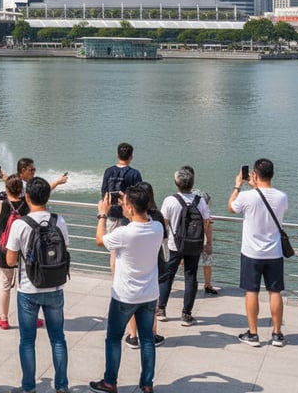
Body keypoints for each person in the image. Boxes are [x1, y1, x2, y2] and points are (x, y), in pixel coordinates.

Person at [90, 184, 163, 393]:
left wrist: (102, 214)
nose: (121, 205)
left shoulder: (124, 233)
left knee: (114, 338)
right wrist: (129, 198)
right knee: (147, 339)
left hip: (124, 295)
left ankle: (110, 381)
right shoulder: (157, 227)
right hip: (149, 294)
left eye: (124, 203)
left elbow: (99, 240)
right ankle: (147, 384)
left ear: (130, 207)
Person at [5, 176, 70, 393]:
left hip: (28, 288)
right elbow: (65, 249)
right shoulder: (59, 221)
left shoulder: (20, 224)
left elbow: (10, 260)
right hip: (55, 286)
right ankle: (62, 386)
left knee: (27, 341)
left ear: (27, 197)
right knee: (58, 339)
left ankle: (29, 387)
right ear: (48, 197)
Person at [228, 158, 288, 347]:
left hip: (251, 252)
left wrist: (238, 186)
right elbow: (266, 201)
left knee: (251, 291)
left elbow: (231, 207)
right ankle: (277, 334)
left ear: (254, 174)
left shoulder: (247, 196)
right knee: (275, 292)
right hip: (275, 252)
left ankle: (253, 334)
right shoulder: (282, 197)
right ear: (272, 174)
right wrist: (255, 187)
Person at [156, 166, 211, 325]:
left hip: (175, 245)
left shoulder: (170, 200)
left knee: (168, 276)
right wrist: (208, 243)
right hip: (195, 245)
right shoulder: (200, 201)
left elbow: (164, 224)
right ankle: (186, 315)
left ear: (176, 183)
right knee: (191, 277)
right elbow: (206, 223)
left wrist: (159, 241)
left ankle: (161, 310)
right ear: (192, 183)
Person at [124, 182, 166, 349]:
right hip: (155, 262)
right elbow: (164, 238)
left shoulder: (131, 221)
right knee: (152, 301)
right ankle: (152, 334)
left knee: (133, 301)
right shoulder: (157, 217)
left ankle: (133, 336)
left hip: (135, 263)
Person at [0, 171, 29, 329]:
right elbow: (24, 192)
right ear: (21, 189)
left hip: (5, 250)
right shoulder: (27, 204)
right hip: (24, 250)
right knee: (24, 285)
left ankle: (3, 318)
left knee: (4, 285)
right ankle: (29, 317)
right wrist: (8, 180)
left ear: (6, 189)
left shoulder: (1, 205)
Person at [100, 143, 142, 229]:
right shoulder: (135, 173)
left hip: (111, 214)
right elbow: (139, 196)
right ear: (131, 157)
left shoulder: (108, 171)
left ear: (117, 155)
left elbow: (104, 191)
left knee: (110, 237)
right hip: (127, 214)